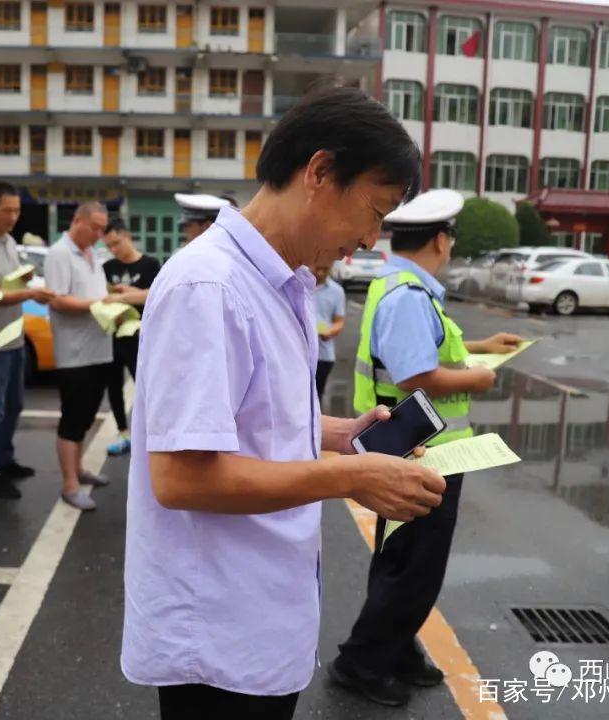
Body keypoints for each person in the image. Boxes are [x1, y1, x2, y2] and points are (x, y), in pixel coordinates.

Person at [121, 86, 449, 719]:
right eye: (373, 212)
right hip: (218, 636)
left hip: (260, 614)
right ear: (320, 172)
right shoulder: (209, 288)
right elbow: (182, 477)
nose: (370, 237)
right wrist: (350, 474)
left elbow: (250, 417)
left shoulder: (282, 282)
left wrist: (338, 434)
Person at [331, 188, 522, 708]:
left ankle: (395, 648)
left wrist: (481, 348)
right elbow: (418, 372)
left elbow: (427, 348)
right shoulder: (409, 295)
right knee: (412, 567)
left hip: (415, 446)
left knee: (404, 561)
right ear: (440, 239)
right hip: (422, 453)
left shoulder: (400, 284)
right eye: (451, 239)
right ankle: (363, 663)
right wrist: (479, 380)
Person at [0, 182, 56, 499]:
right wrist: (30, 291)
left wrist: (23, 279)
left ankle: (5, 459)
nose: (14, 216)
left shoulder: (8, 242)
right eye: (8, 210)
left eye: (18, 210)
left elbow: (8, 282)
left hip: (15, 338)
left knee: (14, 406)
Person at [44, 202, 132, 511]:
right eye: (94, 228)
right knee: (72, 418)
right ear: (77, 221)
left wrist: (110, 304)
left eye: (102, 229)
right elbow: (57, 301)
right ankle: (69, 484)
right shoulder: (59, 253)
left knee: (86, 416)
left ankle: (79, 469)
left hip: (98, 350)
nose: (98, 234)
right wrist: (100, 304)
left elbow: (91, 295)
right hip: (75, 353)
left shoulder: (91, 253)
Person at [102, 218, 161, 455]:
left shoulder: (150, 264)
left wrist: (129, 295)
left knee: (145, 386)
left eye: (116, 243)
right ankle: (123, 432)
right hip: (114, 334)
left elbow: (156, 296)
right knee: (113, 385)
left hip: (141, 336)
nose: (113, 250)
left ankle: (149, 433)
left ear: (127, 236)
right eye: (108, 246)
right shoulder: (108, 268)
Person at [312, 261, 346, 402]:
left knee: (316, 397)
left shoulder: (336, 291)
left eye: (325, 269)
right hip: (299, 352)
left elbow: (339, 321)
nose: (320, 272)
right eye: (318, 267)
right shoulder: (298, 285)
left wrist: (330, 331)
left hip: (323, 354)